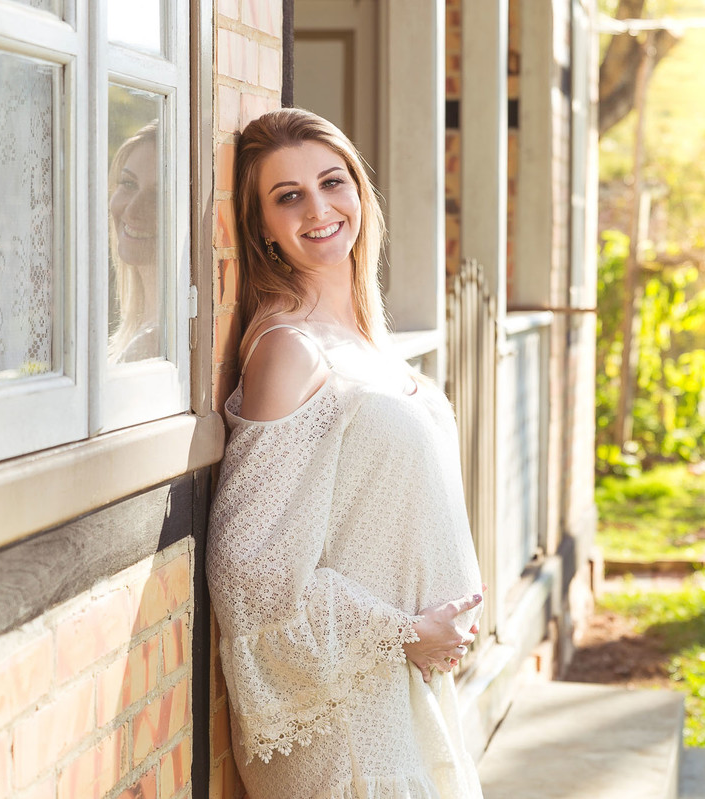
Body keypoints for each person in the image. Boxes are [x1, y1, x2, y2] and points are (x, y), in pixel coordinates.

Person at [207, 107, 487, 799]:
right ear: (261, 227)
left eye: (333, 182)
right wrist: (400, 632)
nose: (319, 208)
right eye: (288, 196)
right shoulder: (286, 350)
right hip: (345, 727)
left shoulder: (362, 341)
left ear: (360, 191)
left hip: (402, 697)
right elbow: (246, 569)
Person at [107, 121, 163, 362]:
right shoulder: (144, 325)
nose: (131, 211)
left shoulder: (155, 344)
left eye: (158, 194)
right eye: (129, 184)